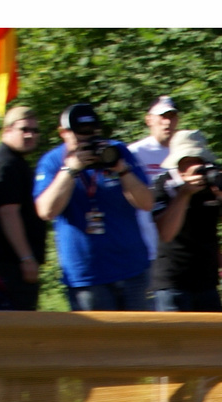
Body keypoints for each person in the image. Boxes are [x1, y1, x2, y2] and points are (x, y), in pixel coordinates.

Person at [33, 102, 155, 310]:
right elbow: (46, 211)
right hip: (87, 276)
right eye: (79, 136)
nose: (87, 142)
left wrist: (122, 170)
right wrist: (71, 169)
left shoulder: (116, 151)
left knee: (138, 340)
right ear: (63, 133)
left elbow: (146, 203)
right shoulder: (53, 162)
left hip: (131, 268)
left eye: (91, 134)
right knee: (98, 342)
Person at [149, 130, 222, 311]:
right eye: (188, 161)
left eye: (199, 160)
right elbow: (166, 233)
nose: (196, 166)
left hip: (207, 283)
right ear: (177, 163)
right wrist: (184, 194)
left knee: (208, 340)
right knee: (174, 340)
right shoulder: (164, 184)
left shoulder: (214, 182)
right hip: (173, 283)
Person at [0, 105, 46, 310]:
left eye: (35, 130)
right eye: (24, 129)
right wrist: (26, 258)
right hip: (9, 265)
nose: (30, 135)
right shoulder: (5, 164)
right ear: (6, 130)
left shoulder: (15, 161)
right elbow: (8, 213)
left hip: (15, 263)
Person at [127, 95, 180, 262]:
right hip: (145, 248)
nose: (167, 122)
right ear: (149, 119)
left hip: (179, 248)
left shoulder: (184, 152)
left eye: (171, 116)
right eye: (162, 116)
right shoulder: (134, 153)